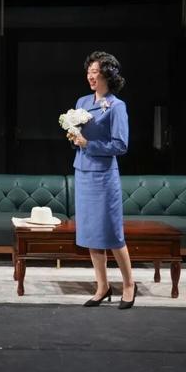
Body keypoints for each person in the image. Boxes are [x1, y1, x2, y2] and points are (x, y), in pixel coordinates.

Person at [67, 51, 137, 309]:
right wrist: (75, 139)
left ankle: (128, 285)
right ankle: (102, 286)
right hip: (83, 173)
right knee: (91, 234)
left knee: (112, 234)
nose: (90, 76)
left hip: (104, 177)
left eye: (95, 72)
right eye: (88, 72)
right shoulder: (83, 101)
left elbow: (120, 145)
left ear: (107, 75)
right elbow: (79, 136)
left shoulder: (117, 106)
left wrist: (88, 143)